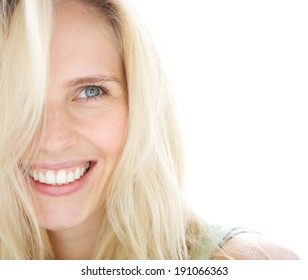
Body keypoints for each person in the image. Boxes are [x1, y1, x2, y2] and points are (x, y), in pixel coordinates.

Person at [0, 0, 299, 260]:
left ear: (140, 105)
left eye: (90, 92)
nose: (52, 140)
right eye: (16, 96)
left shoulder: (249, 264)